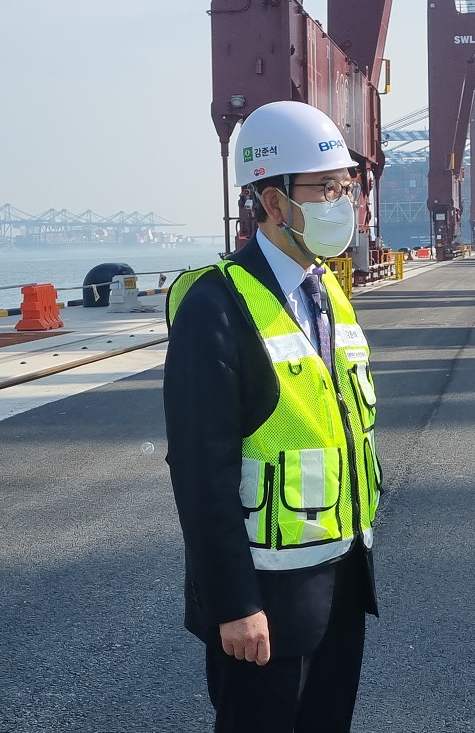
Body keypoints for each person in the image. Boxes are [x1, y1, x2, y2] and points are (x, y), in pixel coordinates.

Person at [164, 100, 382, 733]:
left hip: (339, 580)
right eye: (324, 188)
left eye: (347, 186)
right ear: (273, 201)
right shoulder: (217, 304)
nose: (342, 200)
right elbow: (201, 473)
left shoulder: (329, 291)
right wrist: (233, 604)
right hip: (263, 595)